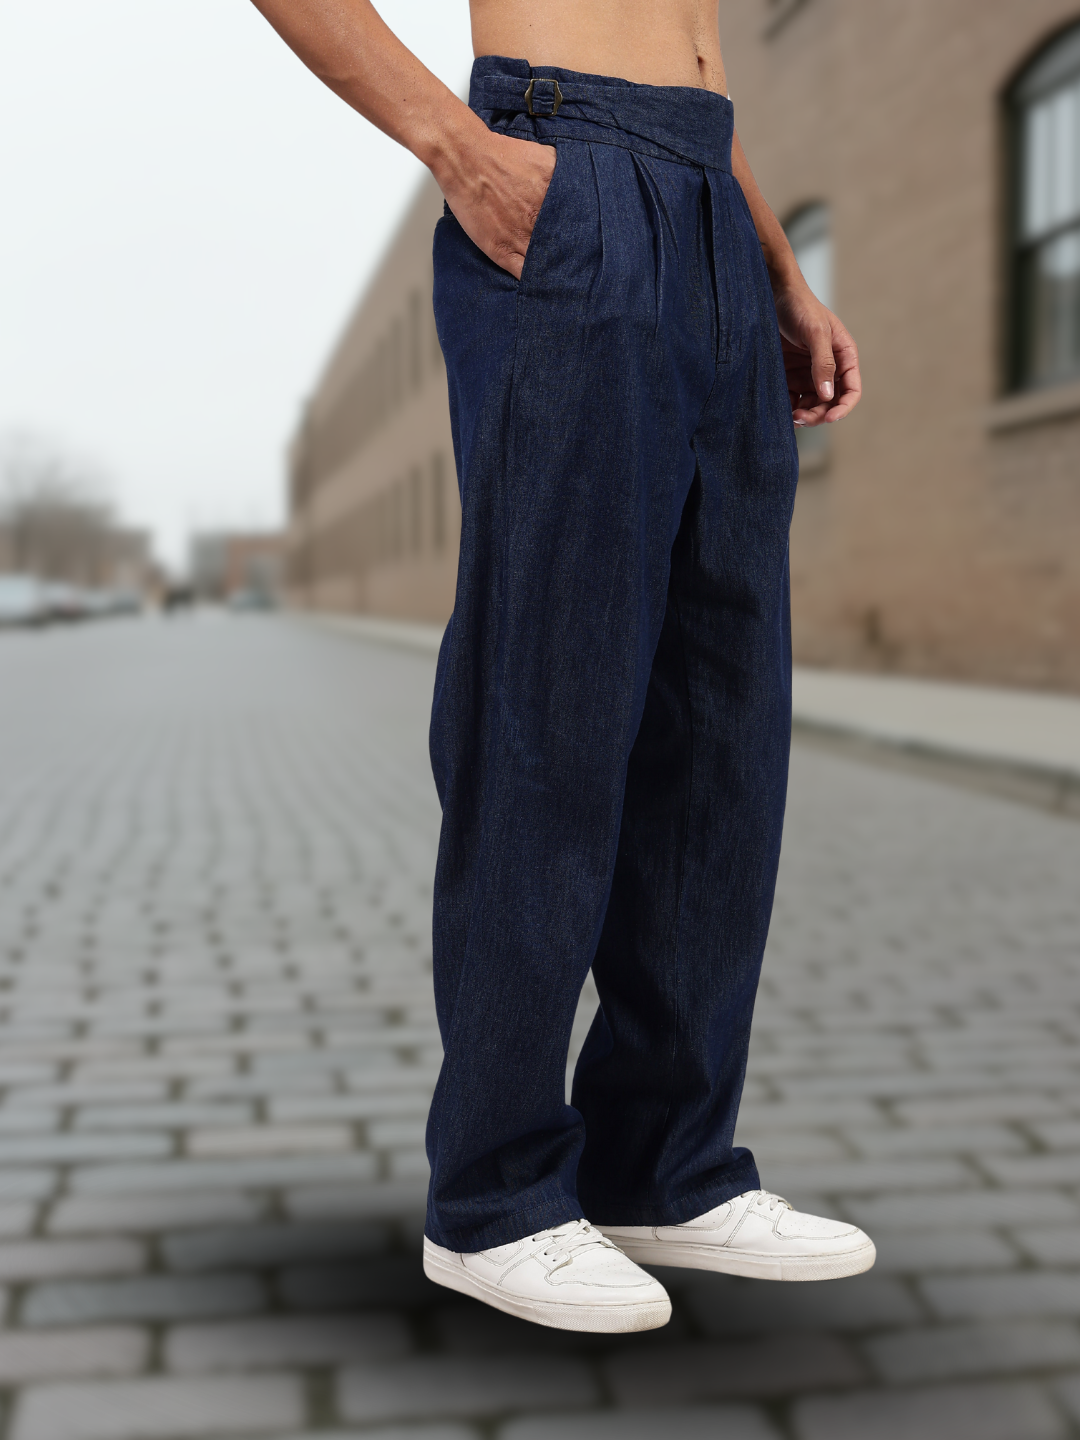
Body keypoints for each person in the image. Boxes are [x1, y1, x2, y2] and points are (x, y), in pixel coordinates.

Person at [251, 0, 874, 1333]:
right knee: (553, 700)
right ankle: (495, 1198)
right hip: (564, 166)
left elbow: (694, 49)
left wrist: (775, 272)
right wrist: (457, 146)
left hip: (709, 189)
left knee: (721, 724)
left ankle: (666, 1164)